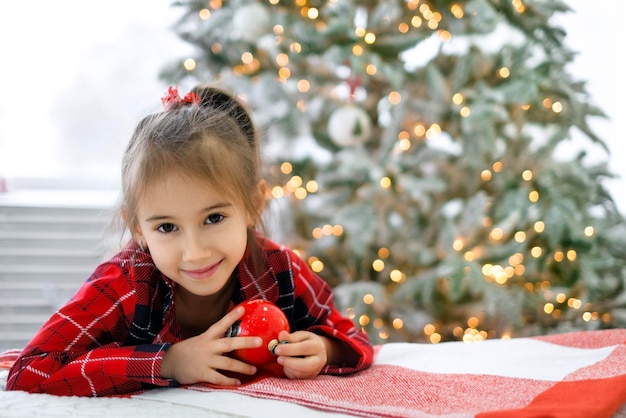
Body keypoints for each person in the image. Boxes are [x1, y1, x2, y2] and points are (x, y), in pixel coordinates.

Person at [6, 84, 374, 397]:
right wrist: (169, 361)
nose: (195, 252)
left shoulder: (279, 269)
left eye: (214, 218)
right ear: (137, 228)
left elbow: (352, 335)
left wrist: (325, 349)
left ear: (252, 205)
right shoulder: (125, 284)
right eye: (167, 227)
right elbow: (29, 371)